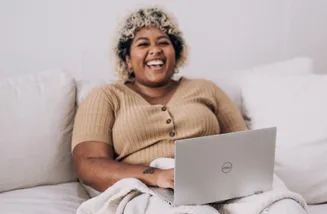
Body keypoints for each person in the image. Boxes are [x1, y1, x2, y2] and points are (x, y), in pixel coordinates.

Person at [71, 7, 248, 195]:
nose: (155, 50)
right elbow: (88, 164)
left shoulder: (206, 89)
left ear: (176, 53)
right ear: (128, 59)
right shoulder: (106, 96)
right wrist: (155, 175)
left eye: (163, 43)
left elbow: (245, 145)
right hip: (146, 190)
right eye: (143, 44)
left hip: (216, 183)